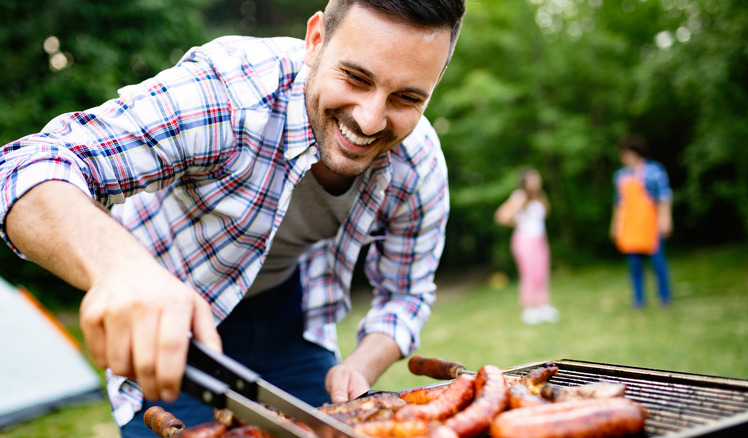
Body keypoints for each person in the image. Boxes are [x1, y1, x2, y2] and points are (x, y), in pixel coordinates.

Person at [0, 1, 466, 436]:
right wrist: (122, 272)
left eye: (406, 98)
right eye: (356, 78)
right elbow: (26, 167)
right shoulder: (227, 93)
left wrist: (361, 365)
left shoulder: (418, 164)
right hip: (173, 329)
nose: (369, 120)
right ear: (316, 40)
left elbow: (405, 294)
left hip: (293, 321)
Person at [609, 134, 673, 309]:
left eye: (626, 153)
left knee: (658, 263)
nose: (623, 157)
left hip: (651, 223)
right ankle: (638, 301)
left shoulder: (654, 171)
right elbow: (619, 203)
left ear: (636, 153)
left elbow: (664, 197)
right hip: (630, 225)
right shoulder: (620, 176)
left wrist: (665, 219)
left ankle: (664, 298)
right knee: (634, 265)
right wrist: (616, 225)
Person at [495, 167, 558, 325]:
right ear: (524, 182)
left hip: (540, 239)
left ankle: (543, 305)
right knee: (529, 274)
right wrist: (516, 221)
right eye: (532, 179)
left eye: (537, 178)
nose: (536, 182)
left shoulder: (540, 196)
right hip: (524, 239)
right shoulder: (519, 196)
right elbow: (501, 216)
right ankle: (529, 308)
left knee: (541, 272)